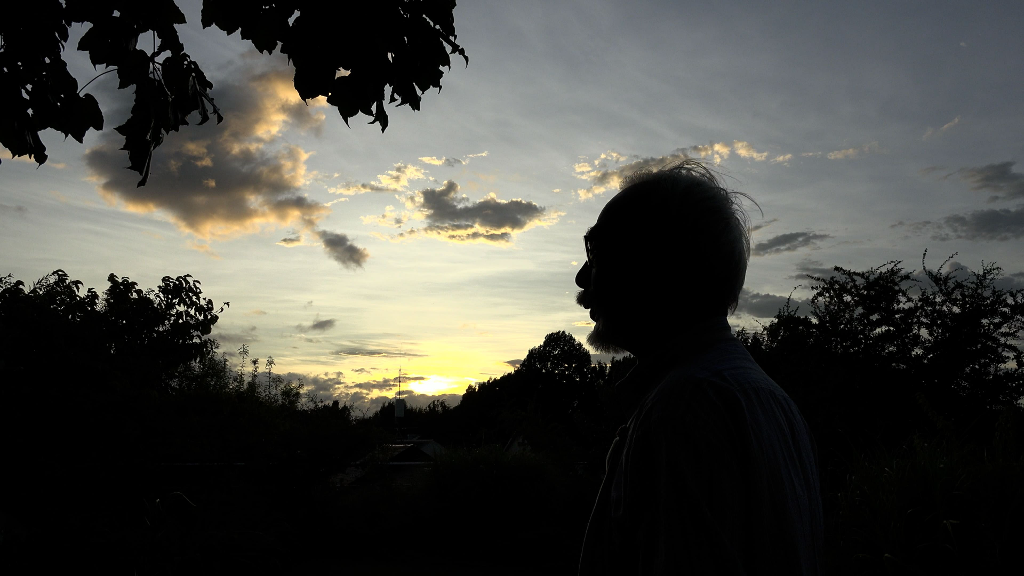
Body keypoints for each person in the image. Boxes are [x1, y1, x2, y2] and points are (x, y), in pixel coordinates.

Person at [575, 160, 823, 575]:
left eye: (597, 254)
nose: (583, 277)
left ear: (655, 264)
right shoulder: (773, 402)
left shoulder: (684, 409)